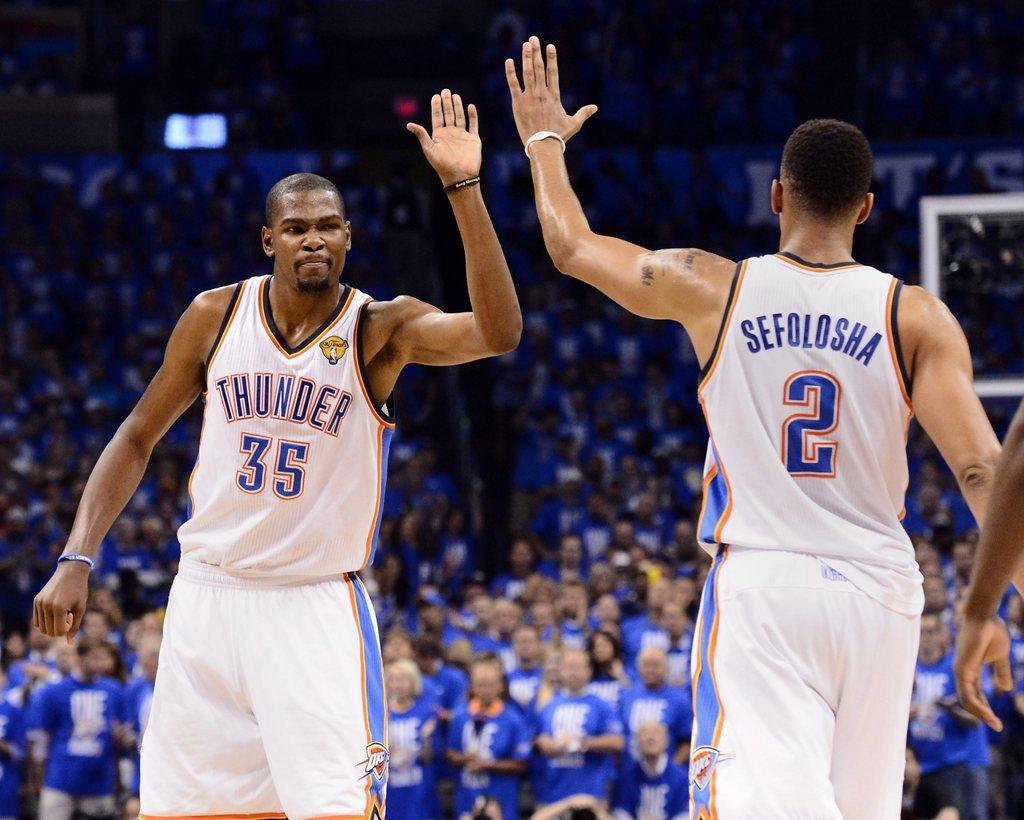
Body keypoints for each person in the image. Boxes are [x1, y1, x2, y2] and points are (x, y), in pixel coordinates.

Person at [505, 37, 1000, 817]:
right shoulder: (917, 315)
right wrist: (991, 605)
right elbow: (982, 472)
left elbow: (570, 247)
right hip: (881, 592)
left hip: (767, 587)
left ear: (776, 196)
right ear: (866, 208)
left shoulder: (714, 286)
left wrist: (543, 142)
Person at [32, 87, 521, 819]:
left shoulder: (380, 329)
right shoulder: (214, 315)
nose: (313, 239)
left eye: (328, 226)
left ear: (350, 237)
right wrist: (78, 555)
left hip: (312, 605)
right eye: (296, 228)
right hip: (205, 598)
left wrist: (462, 189)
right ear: (270, 241)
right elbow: (135, 436)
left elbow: (499, 332)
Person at [955, 400, 1024, 729]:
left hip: (776, 573)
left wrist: (981, 608)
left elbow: (981, 471)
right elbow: (980, 470)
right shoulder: (935, 344)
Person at [28, 637, 127, 820]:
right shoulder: (55, 691)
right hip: (60, 779)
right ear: (80, 658)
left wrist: (120, 736)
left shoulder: (114, 690)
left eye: (101, 658)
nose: (99, 663)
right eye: (94, 658)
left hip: (99, 781)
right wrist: (39, 774)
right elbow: (43, 736)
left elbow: (121, 733)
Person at [910, 615, 989, 820]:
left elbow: (976, 720)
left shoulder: (956, 668)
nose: (925, 637)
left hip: (949, 765)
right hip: (916, 765)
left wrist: (951, 709)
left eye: (930, 632)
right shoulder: (907, 668)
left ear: (943, 636)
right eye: (920, 631)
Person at [535, 649, 624, 807]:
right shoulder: (548, 706)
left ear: (589, 670)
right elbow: (538, 738)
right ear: (560, 671)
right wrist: (544, 742)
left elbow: (618, 742)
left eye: (577, 667)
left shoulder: (602, 706)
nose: (572, 672)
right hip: (552, 793)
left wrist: (582, 742)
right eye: (568, 667)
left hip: (590, 793)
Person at [447, 655, 532, 820]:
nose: (485, 690)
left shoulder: (513, 719)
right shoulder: (460, 716)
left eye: (490, 685)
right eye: (480, 685)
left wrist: (489, 764)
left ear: (500, 686)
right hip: (467, 797)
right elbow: (450, 753)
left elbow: (522, 763)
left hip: (502, 798)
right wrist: (465, 758)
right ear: (471, 687)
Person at [386, 658, 439, 820]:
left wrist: (426, 740)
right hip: (391, 793)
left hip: (419, 792)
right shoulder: (381, 715)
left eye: (402, 680)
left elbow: (430, 757)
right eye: (393, 680)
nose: (398, 685)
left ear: (413, 682)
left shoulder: (426, 712)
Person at [618, 648, 691, 762]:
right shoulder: (626, 697)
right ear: (638, 667)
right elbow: (619, 736)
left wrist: (670, 768)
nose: (650, 670)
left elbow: (687, 740)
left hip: (666, 773)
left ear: (667, 667)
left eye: (656, 665)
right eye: (646, 665)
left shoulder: (680, 699)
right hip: (630, 772)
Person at [612, 722, 689, 820]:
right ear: (637, 741)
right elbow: (621, 812)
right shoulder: (626, 777)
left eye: (656, 733)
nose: (650, 738)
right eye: (645, 733)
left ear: (667, 741)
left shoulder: (682, 778)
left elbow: (684, 814)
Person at [0, 669, 26, 820]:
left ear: (5, 679)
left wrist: (3, 746)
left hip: (5, 787)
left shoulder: (14, 711)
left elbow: (22, 753)